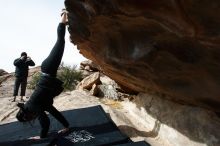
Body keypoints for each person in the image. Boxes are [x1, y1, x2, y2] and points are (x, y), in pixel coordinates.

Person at [16, 9, 69, 139]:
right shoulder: (38, 105)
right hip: (49, 71)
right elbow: (54, 112)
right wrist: (67, 126)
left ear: (26, 115)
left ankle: (63, 17)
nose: (32, 119)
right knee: (60, 42)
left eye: (28, 119)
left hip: (48, 69)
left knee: (60, 41)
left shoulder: (32, 106)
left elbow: (45, 122)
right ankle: (64, 19)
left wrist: (41, 137)